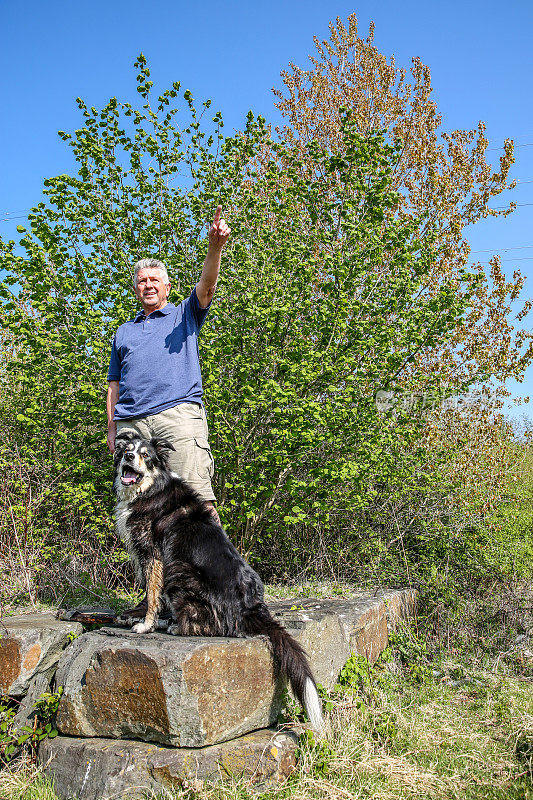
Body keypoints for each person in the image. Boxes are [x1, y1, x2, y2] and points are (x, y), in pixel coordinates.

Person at [106, 206, 230, 526]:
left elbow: (207, 286)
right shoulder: (124, 332)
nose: (148, 285)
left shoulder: (184, 314)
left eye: (155, 280)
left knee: (197, 503)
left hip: (177, 417)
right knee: (140, 514)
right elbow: (114, 385)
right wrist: (111, 427)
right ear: (135, 289)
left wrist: (215, 246)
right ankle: (159, 578)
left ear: (167, 287)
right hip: (131, 425)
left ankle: (223, 576)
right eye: (142, 281)